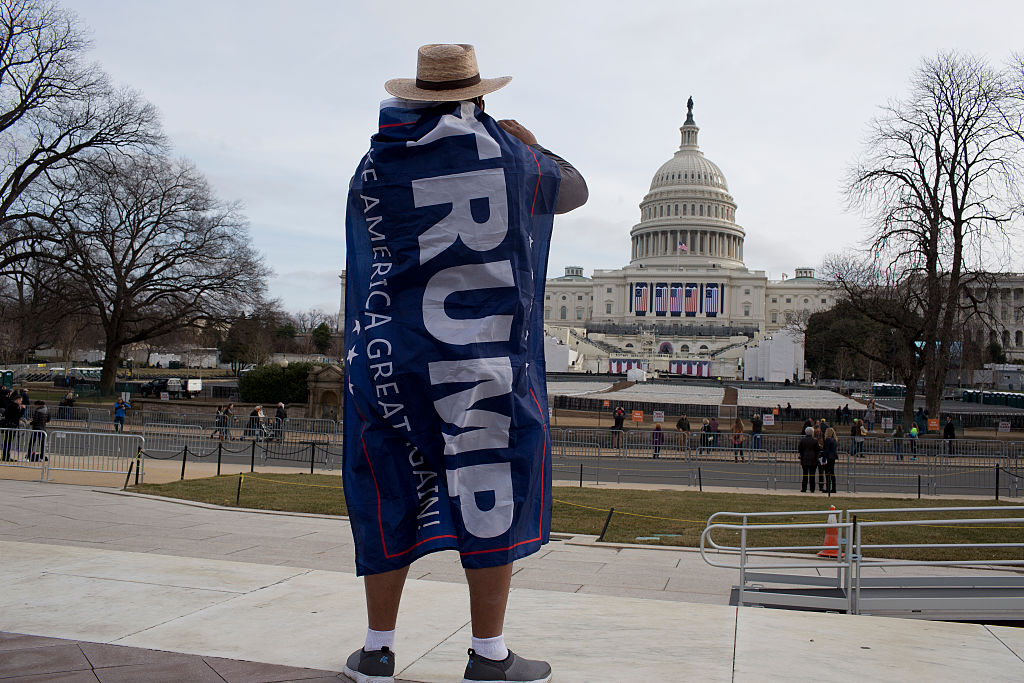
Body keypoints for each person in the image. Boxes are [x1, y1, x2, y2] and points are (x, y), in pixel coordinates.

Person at [341, 44, 587, 683]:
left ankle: (376, 650)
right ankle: (489, 654)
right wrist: (530, 142)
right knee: (490, 485)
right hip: (481, 362)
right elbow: (574, 192)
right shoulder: (509, 158)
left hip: (393, 358)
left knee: (389, 485)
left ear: (416, 97)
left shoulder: (377, 162)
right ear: (478, 96)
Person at [798, 426, 822, 493]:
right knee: (812, 475)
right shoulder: (815, 440)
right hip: (813, 459)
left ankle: (804, 488)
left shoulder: (802, 440)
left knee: (805, 474)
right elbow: (818, 450)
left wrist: (802, 455)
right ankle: (812, 488)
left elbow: (799, 448)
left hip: (805, 459)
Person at [2, 394, 24, 461]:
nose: (21, 402)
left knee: (7, 441)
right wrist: (23, 410)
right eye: (20, 401)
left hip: (9, 424)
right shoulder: (14, 406)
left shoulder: (10, 405)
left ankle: (5, 455)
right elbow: (18, 416)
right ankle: (6, 456)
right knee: (8, 441)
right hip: (12, 425)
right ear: (17, 400)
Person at [821, 427, 838, 494]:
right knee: (832, 473)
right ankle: (833, 488)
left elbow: (826, 450)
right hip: (833, 457)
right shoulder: (834, 440)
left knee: (827, 473)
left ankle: (828, 488)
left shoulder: (827, 440)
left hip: (828, 457)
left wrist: (824, 459)